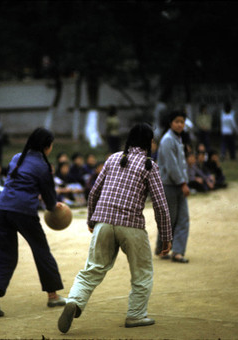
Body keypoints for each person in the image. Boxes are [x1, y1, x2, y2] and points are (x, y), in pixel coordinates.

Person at [57, 123, 172, 333]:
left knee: (92, 269)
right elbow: (161, 205)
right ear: (148, 142)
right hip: (132, 225)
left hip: (104, 222)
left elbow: (93, 193)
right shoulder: (149, 166)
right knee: (142, 272)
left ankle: (74, 301)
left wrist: (92, 221)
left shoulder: (113, 158)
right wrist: (166, 236)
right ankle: (136, 315)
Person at [0, 127, 66, 318]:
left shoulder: (16, 158)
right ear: (47, 146)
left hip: (1, 208)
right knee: (41, 250)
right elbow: (50, 201)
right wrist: (57, 207)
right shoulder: (43, 166)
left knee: (4, 254)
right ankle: (53, 295)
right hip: (23, 211)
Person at [155, 110, 191, 263]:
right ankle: (169, 250)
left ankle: (171, 250)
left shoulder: (177, 138)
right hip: (171, 185)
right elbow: (172, 166)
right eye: (176, 121)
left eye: (182, 122)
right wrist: (183, 183)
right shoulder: (168, 140)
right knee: (173, 219)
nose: (179, 124)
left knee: (178, 218)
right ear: (170, 123)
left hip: (175, 183)